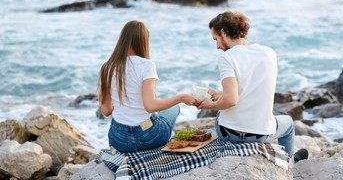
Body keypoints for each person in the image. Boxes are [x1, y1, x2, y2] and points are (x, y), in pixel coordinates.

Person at [197, 11, 308, 163]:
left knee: (220, 116)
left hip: (232, 136)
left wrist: (210, 104)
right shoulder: (269, 53)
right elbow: (251, 88)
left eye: (216, 39)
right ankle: (290, 162)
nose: (217, 46)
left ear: (223, 32)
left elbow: (230, 100)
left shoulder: (227, 57)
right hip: (262, 135)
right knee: (288, 123)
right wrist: (220, 94)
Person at [98, 20, 200, 153]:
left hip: (119, 140)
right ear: (143, 41)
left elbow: (106, 110)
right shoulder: (146, 65)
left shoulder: (107, 67)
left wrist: (124, 105)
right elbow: (150, 106)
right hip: (148, 137)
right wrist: (181, 97)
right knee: (173, 108)